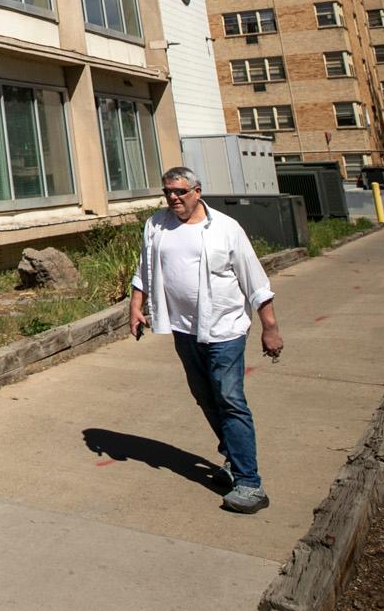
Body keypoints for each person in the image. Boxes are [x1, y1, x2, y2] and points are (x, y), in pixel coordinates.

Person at [129, 165, 283, 514]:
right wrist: (136, 307)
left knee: (229, 398)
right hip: (184, 329)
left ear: (197, 191)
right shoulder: (156, 225)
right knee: (205, 396)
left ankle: (250, 484)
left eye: (180, 192)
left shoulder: (226, 229)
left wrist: (270, 327)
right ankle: (233, 457)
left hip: (224, 329)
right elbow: (144, 268)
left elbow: (255, 281)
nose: (173, 198)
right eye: (168, 191)